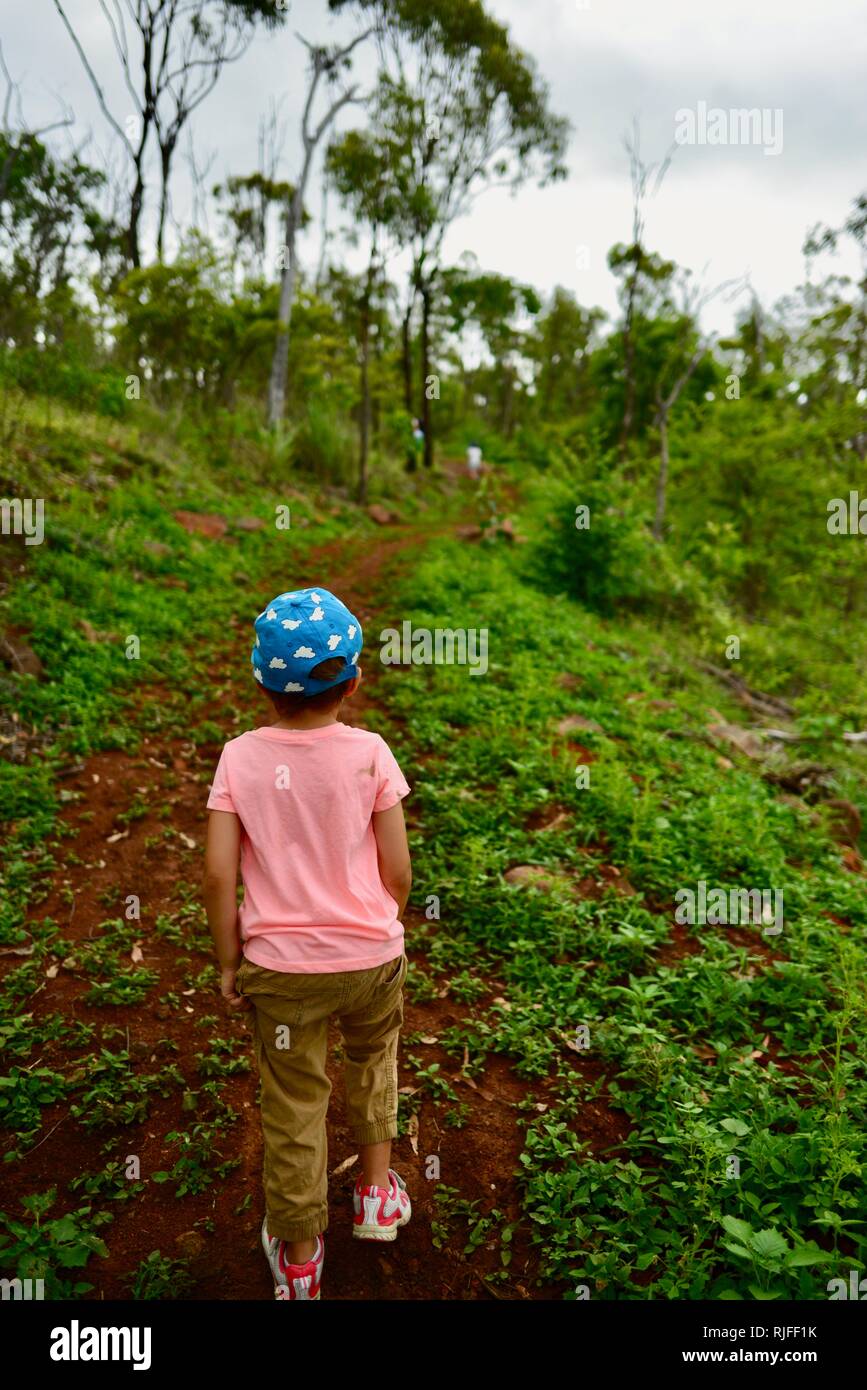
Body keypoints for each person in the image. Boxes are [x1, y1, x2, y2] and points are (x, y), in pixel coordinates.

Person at [203, 586, 413, 1301]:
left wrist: (230, 961)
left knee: (293, 1102)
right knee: (372, 1060)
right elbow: (398, 870)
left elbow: (218, 872)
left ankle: (298, 1256)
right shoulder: (371, 753)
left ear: (261, 684)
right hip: (370, 960)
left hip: (282, 971)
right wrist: (383, 920)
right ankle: (377, 1193)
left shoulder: (238, 758)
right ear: (352, 681)